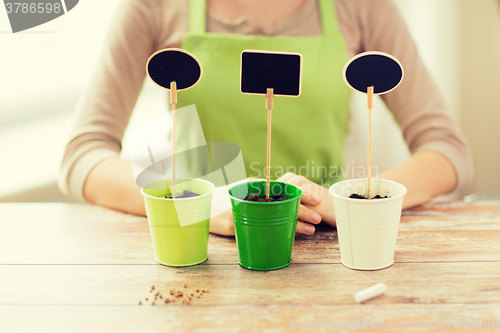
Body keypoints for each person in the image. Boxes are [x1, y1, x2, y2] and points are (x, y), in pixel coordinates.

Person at [58, 0, 473, 236]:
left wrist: (348, 203)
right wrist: (200, 205)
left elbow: (447, 151)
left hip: (324, 248)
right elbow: (83, 156)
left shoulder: (362, 6)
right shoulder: (153, 6)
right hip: (199, 251)